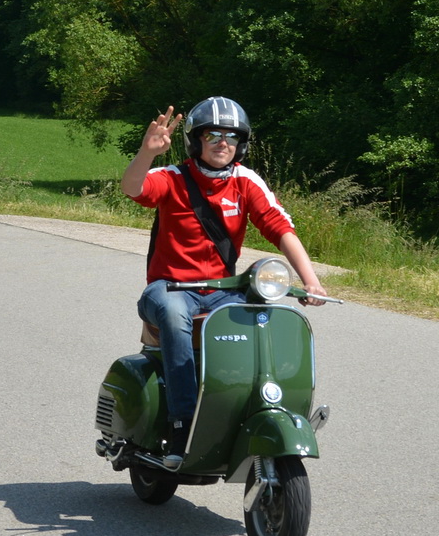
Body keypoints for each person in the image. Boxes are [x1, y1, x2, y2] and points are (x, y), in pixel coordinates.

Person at [120, 96, 328, 468]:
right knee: (172, 313)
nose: (222, 142)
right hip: (169, 288)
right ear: (195, 140)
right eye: (212, 134)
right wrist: (146, 153)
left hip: (220, 291)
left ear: (241, 143)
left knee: (262, 319)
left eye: (231, 136)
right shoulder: (172, 178)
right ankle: (182, 421)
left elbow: (282, 230)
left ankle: (254, 406)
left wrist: (311, 281)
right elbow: (134, 189)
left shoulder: (246, 182)